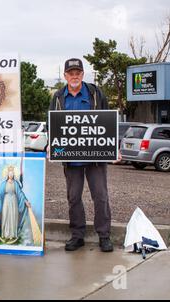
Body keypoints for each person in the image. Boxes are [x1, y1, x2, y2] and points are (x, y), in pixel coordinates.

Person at [49, 58, 114, 252]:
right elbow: (52, 124)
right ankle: (78, 235)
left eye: (78, 72)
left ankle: (104, 236)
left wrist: (113, 146)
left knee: (100, 196)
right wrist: (50, 145)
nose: (74, 76)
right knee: (73, 197)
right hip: (71, 159)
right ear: (65, 76)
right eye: (71, 73)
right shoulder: (58, 97)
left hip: (95, 157)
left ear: (83, 74)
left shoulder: (95, 93)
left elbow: (108, 122)